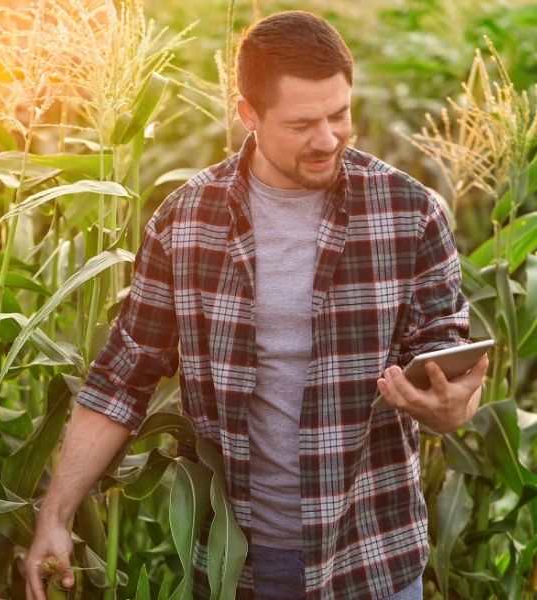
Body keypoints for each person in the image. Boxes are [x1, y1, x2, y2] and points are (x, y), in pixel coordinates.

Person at [25, 10, 487, 600]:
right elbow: (121, 378)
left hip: (370, 559)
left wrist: (452, 407)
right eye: (301, 124)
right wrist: (55, 514)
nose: (328, 139)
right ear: (248, 114)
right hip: (234, 565)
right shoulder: (186, 221)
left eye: (339, 114)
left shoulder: (410, 213)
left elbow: (447, 362)